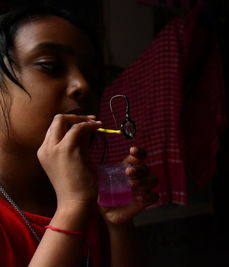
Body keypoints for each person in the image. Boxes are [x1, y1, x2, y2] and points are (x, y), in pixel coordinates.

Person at [0, 4, 158, 267]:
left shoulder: (92, 191)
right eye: (50, 66)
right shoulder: (78, 197)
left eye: (92, 75)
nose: (82, 85)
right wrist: (72, 207)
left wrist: (118, 225)